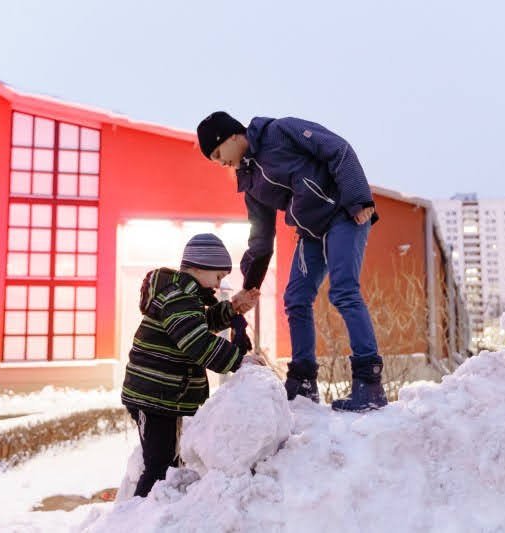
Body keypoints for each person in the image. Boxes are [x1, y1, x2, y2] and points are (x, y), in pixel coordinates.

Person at [196, 111, 387, 412]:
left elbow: (338, 148)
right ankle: (303, 384)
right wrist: (250, 287)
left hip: (345, 214)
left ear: (233, 136)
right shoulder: (250, 181)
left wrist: (359, 198)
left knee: (343, 290)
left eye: (219, 153)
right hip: (312, 233)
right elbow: (261, 237)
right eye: (215, 160)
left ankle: (369, 384)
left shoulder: (280, 132)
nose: (221, 163)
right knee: (295, 299)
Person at [120, 233, 264, 497]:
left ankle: (158, 512)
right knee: (159, 465)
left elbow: (199, 322)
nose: (220, 282)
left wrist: (232, 308)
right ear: (199, 268)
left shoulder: (185, 297)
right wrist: (237, 359)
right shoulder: (178, 297)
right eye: (218, 276)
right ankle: (135, 516)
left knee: (168, 462)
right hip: (152, 394)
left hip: (164, 395)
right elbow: (196, 340)